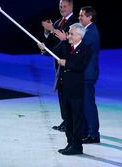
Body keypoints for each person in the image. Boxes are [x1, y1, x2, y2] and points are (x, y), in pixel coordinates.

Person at [39, 23, 92, 155]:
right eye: (68, 33)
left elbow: (80, 67)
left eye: (71, 34)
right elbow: (52, 52)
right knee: (67, 118)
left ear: (79, 36)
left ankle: (77, 146)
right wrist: (44, 49)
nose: (68, 35)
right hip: (64, 88)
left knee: (76, 119)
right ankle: (70, 143)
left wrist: (66, 63)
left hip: (75, 90)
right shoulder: (65, 45)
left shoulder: (86, 49)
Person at [42, 0, 78, 132]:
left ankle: (72, 122)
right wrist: (47, 31)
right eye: (60, 6)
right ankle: (66, 120)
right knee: (62, 93)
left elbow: (67, 40)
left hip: (69, 63)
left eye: (65, 6)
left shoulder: (75, 22)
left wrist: (52, 30)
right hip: (58, 63)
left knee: (69, 94)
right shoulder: (57, 22)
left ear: (71, 7)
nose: (62, 9)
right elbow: (52, 42)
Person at [78, 6, 101, 144]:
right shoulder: (87, 30)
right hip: (85, 73)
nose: (79, 17)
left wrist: (67, 38)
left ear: (89, 17)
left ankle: (94, 134)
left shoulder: (91, 32)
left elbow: (79, 47)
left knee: (88, 104)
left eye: (82, 15)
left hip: (88, 73)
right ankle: (87, 131)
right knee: (85, 103)